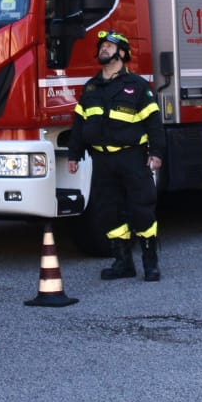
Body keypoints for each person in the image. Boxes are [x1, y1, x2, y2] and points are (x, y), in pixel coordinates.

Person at [66, 30, 164, 281]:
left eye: (110, 46)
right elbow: (79, 123)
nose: (104, 49)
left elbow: (154, 123)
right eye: (102, 46)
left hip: (132, 158)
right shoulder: (91, 87)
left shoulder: (138, 86)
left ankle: (150, 263)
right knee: (108, 211)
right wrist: (73, 155)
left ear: (122, 53)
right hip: (102, 160)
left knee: (142, 209)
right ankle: (123, 263)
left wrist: (156, 153)